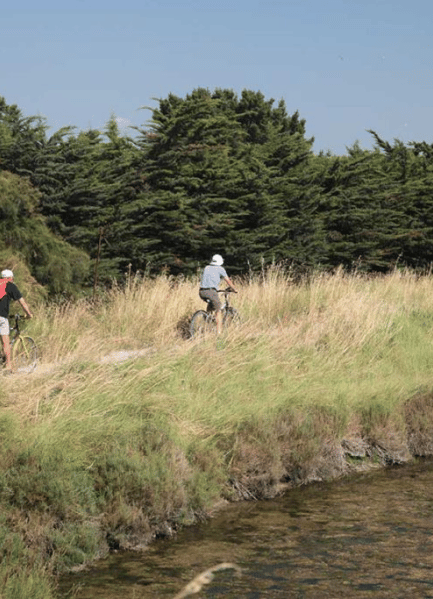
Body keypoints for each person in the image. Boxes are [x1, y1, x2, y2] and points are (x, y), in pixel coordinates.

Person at [0, 269, 33, 372]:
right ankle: (8, 366)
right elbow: (22, 302)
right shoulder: (10, 286)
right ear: (11, 278)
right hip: (1, 317)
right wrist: (29, 314)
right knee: (6, 342)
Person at [199, 254, 237, 334]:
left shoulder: (207, 267)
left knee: (212, 305)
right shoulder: (220, 269)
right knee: (218, 310)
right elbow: (228, 280)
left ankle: (208, 320)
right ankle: (219, 333)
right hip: (211, 291)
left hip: (202, 291)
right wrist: (234, 289)